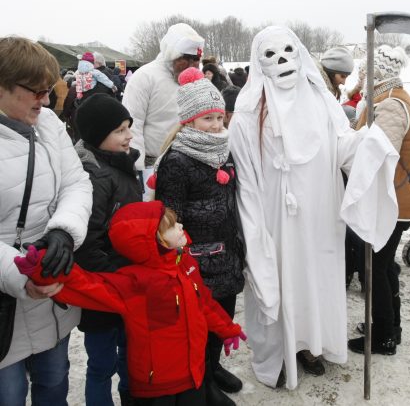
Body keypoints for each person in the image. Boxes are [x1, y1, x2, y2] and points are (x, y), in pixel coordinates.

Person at [229, 26, 399, 389]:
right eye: (271, 55)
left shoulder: (321, 100)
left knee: (317, 278)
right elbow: (245, 176)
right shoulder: (247, 113)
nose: (282, 61)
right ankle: (280, 354)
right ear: (259, 63)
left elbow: (341, 145)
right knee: (281, 278)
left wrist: (369, 144)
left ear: (300, 52)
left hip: (321, 210)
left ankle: (313, 345)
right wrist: (253, 225)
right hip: (276, 215)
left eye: (288, 50)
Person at [14, 201, 246, 406]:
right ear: (155, 240)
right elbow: (87, 285)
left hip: (193, 376)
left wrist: (227, 329)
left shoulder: (184, 264)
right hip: (157, 386)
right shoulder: (135, 283)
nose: (181, 227)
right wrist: (44, 266)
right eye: (173, 226)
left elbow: (203, 302)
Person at [0, 37, 92, 405]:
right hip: (7, 294)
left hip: (52, 289)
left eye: (48, 89)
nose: (46, 98)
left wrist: (63, 233)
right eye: (35, 90)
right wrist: (17, 273)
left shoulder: (51, 123)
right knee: (9, 394)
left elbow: (76, 181)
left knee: (54, 382)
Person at [155, 68, 245, 406]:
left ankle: (213, 366)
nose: (217, 125)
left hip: (227, 255)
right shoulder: (177, 161)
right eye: (208, 118)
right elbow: (169, 216)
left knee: (223, 318)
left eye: (220, 117)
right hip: (198, 262)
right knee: (201, 326)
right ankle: (202, 382)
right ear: (190, 121)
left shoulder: (222, 150)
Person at [349, 45, 410, 356]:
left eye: (366, 70)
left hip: (395, 202)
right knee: (383, 265)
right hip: (397, 199)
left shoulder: (391, 105)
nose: (361, 75)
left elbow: (378, 155)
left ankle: (384, 335)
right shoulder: (388, 98)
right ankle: (391, 325)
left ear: (378, 72)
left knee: (375, 267)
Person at [72, 94, 143, 406]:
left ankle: (131, 397)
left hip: (127, 282)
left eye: (128, 127)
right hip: (103, 292)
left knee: (132, 354)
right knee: (102, 363)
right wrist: (118, 278)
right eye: (120, 130)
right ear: (98, 136)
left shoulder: (122, 165)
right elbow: (88, 243)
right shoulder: (95, 177)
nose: (129, 135)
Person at [122, 23, 204, 176]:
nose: (192, 65)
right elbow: (132, 126)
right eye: (186, 58)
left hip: (190, 162)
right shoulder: (144, 77)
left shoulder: (196, 80)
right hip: (152, 165)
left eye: (196, 59)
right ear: (171, 54)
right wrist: (137, 171)